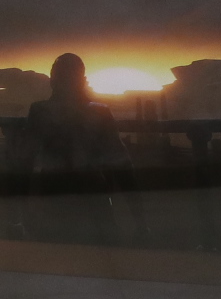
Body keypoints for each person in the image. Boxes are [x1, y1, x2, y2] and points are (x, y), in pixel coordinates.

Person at [15, 53, 134, 241]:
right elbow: (122, 164)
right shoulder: (99, 112)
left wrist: (22, 214)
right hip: (91, 198)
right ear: (83, 81)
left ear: (53, 81)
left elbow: (25, 161)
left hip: (53, 198)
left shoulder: (40, 112)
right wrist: (140, 221)